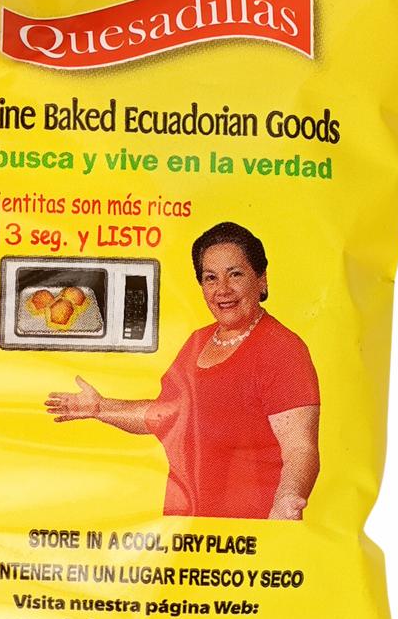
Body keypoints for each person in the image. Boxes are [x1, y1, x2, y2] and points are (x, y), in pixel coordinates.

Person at [45, 222, 320, 520]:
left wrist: (288, 497)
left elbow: (300, 447)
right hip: (188, 530)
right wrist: (100, 407)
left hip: (253, 530)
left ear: (261, 279)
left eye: (235, 274)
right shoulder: (198, 342)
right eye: (211, 278)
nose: (223, 289)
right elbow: (167, 416)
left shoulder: (281, 349)